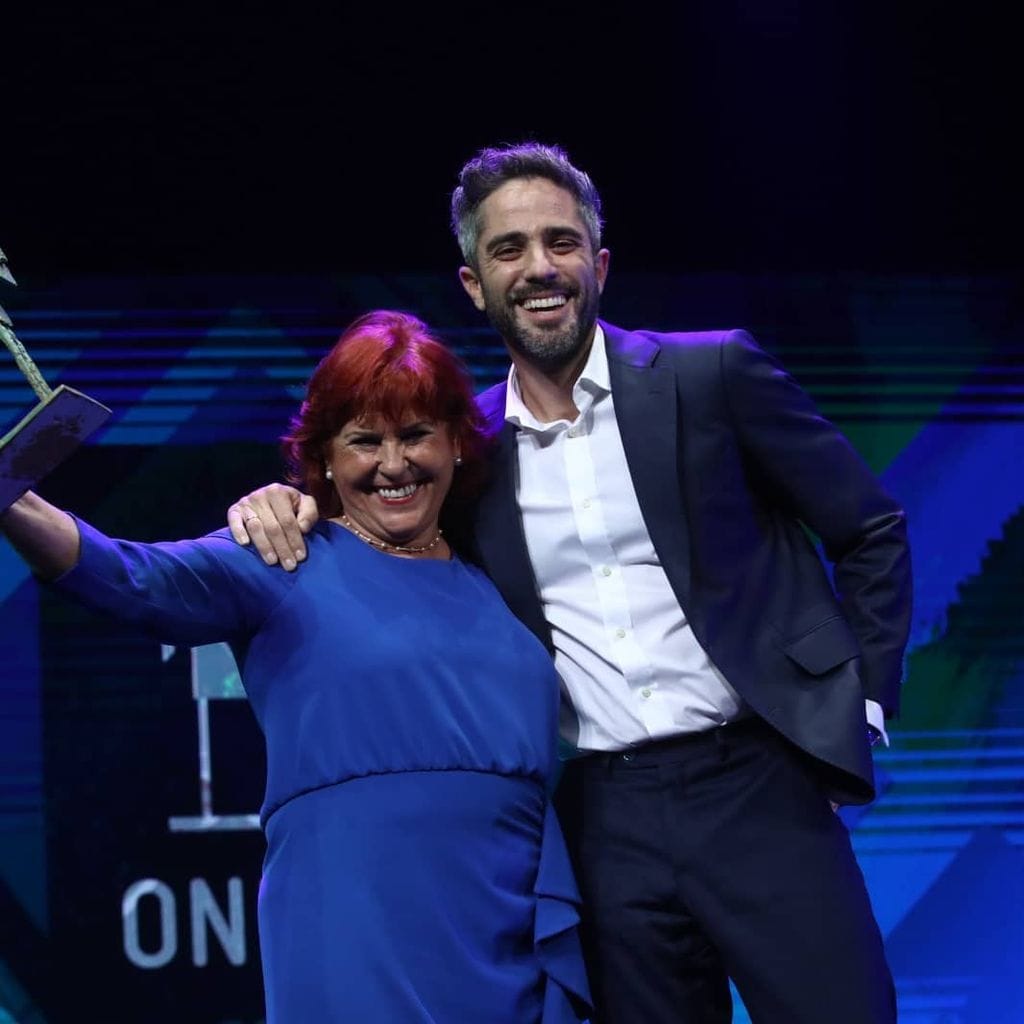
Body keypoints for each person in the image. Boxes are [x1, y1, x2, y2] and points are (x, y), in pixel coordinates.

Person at [228, 144, 913, 1024]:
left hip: (758, 781)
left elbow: (871, 529)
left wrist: (856, 703)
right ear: (474, 283)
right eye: (509, 250)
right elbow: (378, 519)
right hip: (600, 816)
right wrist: (279, 500)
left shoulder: (711, 376)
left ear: (600, 263)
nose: (539, 268)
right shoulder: (464, 451)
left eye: (560, 242)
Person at [0, 310, 591, 1024]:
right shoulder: (283, 557)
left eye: (415, 435)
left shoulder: (498, 567)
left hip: (509, 920)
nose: (394, 464)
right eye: (364, 441)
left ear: (458, 444)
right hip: (357, 920)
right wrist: (10, 499)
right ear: (327, 458)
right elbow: (131, 577)